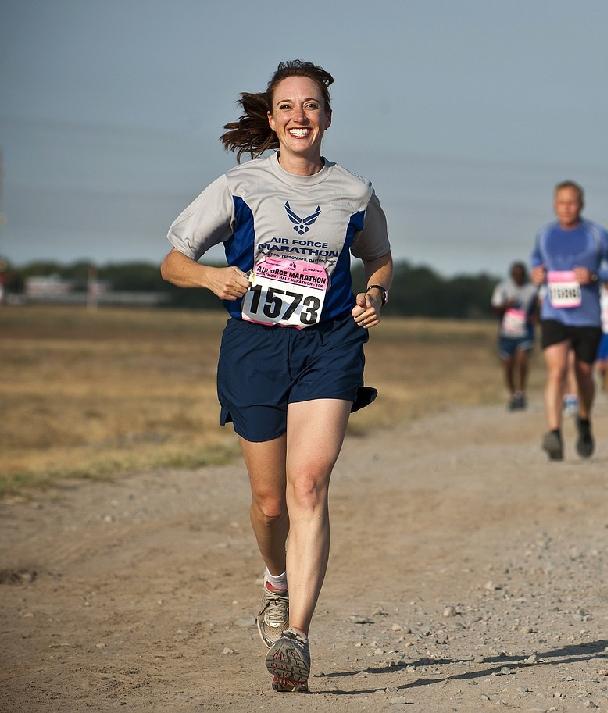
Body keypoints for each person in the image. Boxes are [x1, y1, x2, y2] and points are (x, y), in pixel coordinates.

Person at [160, 60, 392, 693]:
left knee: (308, 484)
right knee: (270, 504)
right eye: (287, 106)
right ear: (271, 118)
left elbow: (379, 256)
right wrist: (212, 278)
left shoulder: (354, 191)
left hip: (329, 345)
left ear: (327, 116)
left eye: (311, 105)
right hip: (256, 347)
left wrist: (376, 292)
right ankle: (275, 580)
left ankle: (297, 636)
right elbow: (173, 261)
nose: (300, 116)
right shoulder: (239, 184)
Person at [530, 180, 608, 460]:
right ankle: (554, 433)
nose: (567, 208)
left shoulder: (597, 235)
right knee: (557, 370)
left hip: (587, 316)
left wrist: (595, 276)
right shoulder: (545, 235)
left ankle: (584, 421)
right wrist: (536, 274)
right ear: (554, 205)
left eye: (572, 202)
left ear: (581, 205)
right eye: (561, 202)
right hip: (554, 313)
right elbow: (536, 262)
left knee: (584, 374)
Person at [491, 261, 539, 410]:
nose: (518, 277)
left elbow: (539, 307)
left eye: (521, 274)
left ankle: (521, 392)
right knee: (508, 365)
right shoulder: (503, 288)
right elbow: (494, 308)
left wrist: (535, 317)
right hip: (507, 333)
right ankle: (512, 394)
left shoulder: (532, 289)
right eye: (516, 274)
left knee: (522, 360)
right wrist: (507, 305)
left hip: (525, 332)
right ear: (511, 275)